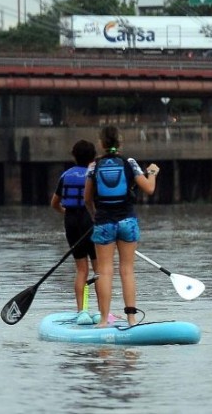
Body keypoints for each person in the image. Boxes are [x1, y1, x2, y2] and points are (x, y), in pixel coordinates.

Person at [84, 125, 159, 327]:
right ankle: (132, 319)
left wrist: (95, 216)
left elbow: (87, 198)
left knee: (105, 271)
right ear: (120, 143)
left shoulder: (93, 166)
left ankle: (102, 320)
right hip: (128, 222)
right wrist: (152, 171)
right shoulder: (130, 163)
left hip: (104, 222)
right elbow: (149, 188)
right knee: (127, 270)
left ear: (101, 143)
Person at [50, 139, 97, 319]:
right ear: (93, 157)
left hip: (71, 221)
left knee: (81, 269)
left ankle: (82, 311)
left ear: (74, 156)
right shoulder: (93, 175)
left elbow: (54, 203)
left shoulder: (65, 175)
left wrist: (66, 212)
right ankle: (102, 312)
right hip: (90, 221)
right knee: (99, 270)